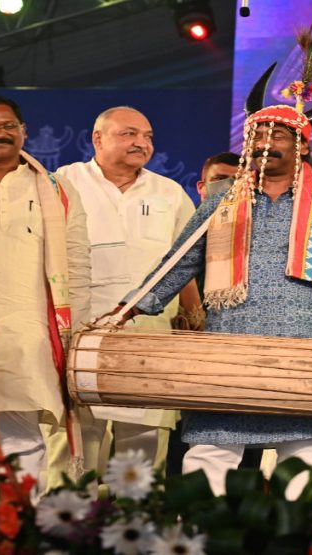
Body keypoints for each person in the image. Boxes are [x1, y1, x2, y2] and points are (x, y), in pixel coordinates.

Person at [115, 48, 312, 497]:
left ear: (302, 145)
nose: (265, 140)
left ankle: (295, 531)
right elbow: (178, 261)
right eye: (257, 133)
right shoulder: (221, 203)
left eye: (277, 133)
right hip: (231, 341)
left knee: (303, 454)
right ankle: (202, 531)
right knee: (211, 449)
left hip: (307, 343)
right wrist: (128, 309)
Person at [0, 95, 91, 484]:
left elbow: (77, 263)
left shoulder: (57, 189)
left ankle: (19, 516)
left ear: (23, 132)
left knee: (24, 434)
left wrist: (78, 329)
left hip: (30, 331)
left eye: (7, 126)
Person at [56, 106, 195, 474]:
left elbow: (185, 265)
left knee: (143, 454)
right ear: (97, 139)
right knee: (77, 450)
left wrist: (193, 317)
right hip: (82, 333)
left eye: (147, 136)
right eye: (129, 134)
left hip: (150, 337)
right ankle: (74, 512)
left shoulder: (169, 192)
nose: (141, 143)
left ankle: (136, 511)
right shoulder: (64, 182)